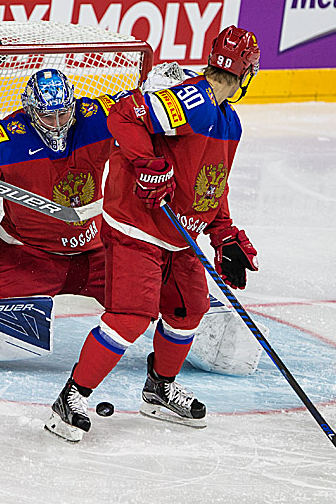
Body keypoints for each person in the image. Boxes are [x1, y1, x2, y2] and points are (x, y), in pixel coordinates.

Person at [0, 63, 263, 375]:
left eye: (63, 111)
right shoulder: (8, 134)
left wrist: (170, 91)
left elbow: (139, 113)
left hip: (99, 252)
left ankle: (209, 343)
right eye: (47, 114)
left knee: (160, 300)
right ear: (30, 111)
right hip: (29, 257)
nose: (57, 121)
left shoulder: (94, 116)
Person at [44, 25, 262, 442]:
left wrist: (223, 233)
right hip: (137, 227)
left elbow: (212, 183)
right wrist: (147, 162)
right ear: (247, 72)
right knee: (130, 315)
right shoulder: (193, 100)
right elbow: (123, 116)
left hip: (179, 235)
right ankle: (71, 397)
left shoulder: (229, 122)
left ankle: (159, 389)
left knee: (189, 308)